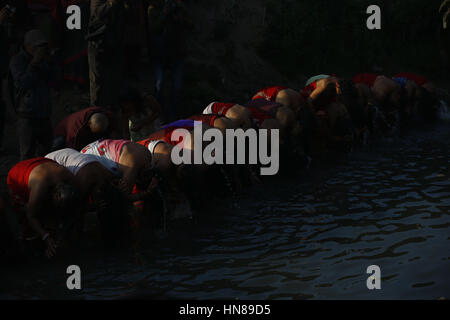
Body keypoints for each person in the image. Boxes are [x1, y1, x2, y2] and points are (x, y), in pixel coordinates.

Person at [7, 157, 80, 258]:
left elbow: (76, 208)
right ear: (54, 194)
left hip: (43, 163)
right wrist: (46, 237)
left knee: (62, 213)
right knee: (30, 215)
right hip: (18, 174)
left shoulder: (71, 179)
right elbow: (31, 215)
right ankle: (31, 243)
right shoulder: (40, 187)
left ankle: (55, 235)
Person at [9, 29, 58, 160]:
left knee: (47, 154)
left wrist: (51, 62)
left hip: (44, 115)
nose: (40, 50)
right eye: (38, 47)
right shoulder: (17, 61)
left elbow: (55, 82)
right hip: (27, 116)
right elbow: (22, 83)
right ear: (28, 46)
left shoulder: (44, 61)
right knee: (27, 155)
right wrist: (34, 64)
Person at [147, 0, 193, 122]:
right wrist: (165, 14)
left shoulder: (180, 7)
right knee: (159, 84)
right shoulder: (154, 8)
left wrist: (179, 14)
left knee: (177, 87)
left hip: (177, 52)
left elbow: (190, 25)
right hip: (160, 52)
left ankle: (174, 117)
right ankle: (159, 115)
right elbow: (154, 28)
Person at [87, 0, 125, 109]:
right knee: (97, 80)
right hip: (98, 43)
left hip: (114, 43)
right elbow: (97, 12)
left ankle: (112, 107)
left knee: (113, 78)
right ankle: (96, 110)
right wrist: (112, 3)